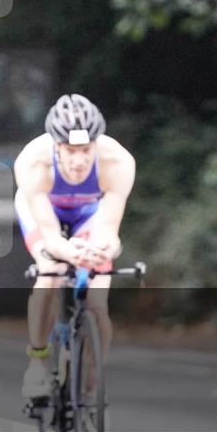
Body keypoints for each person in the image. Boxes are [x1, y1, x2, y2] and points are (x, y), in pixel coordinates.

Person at [14, 94, 135, 399]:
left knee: (98, 302)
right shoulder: (33, 161)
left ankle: (91, 381)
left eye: (86, 150)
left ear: (97, 144)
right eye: (70, 151)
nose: (79, 161)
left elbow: (109, 230)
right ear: (56, 146)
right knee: (51, 271)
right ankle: (38, 362)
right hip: (43, 210)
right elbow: (52, 238)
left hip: (88, 213)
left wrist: (103, 250)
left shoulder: (118, 161)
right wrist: (67, 252)